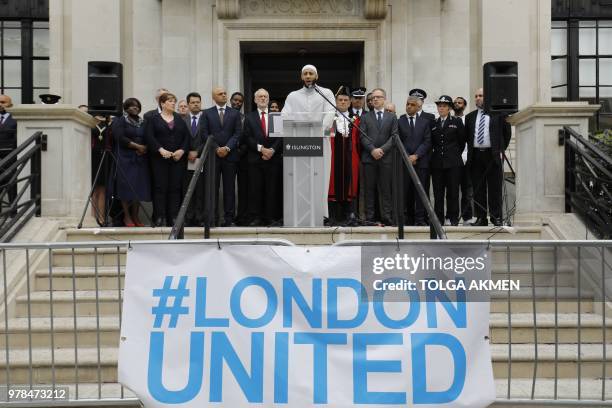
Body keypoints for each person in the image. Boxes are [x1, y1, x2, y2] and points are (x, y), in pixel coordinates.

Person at [282, 64, 336, 221]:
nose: (308, 76)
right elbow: (285, 114)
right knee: (299, 178)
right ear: (301, 77)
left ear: (316, 76)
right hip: (299, 142)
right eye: (305, 73)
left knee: (320, 176)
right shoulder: (293, 95)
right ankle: (298, 212)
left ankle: (321, 213)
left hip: (320, 140)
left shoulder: (326, 93)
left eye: (311, 73)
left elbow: (330, 113)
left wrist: (318, 131)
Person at [465, 88, 512, 227]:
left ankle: (496, 217)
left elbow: (506, 134)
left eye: (481, 95)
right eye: (476, 96)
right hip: (476, 156)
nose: (478, 98)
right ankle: (481, 218)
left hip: (492, 155)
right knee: (478, 189)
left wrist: (499, 150)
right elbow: (467, 137)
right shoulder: (470, 117)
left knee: (494, 188)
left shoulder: (498, 115)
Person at [145, 92, 190, 227]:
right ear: (162, 103)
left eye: (173, 101)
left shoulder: (179, 119)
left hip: (177, 160)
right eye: (170, 101)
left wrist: (182, 150)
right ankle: (160, 217)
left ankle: (174, 217)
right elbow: (149, 137)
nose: (173, 103)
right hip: (159, 160)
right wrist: (160, 149)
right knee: (160, 188)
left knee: (175, 188)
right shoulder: (153, 119)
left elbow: (186, 138)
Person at [201, 86, 242, 227]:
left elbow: (237, 134)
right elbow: (204, 133)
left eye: (225, 93)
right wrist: (217, 148)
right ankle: (212, 218)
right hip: (213, 157)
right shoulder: (206, 113)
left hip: (230, 156)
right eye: (220, 94)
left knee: (229, 188)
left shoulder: (235, 114)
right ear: (214, 97)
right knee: (212, 188)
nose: (224, 95)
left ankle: (229, 219)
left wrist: (227, 147)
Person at [243, 88, 282, 226]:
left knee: (272, 189)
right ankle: (256, 217)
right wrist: (262, 149)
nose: (263, 98)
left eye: (265, 96)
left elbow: (280, 137)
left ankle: (270, 217)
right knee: (255, 189)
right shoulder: (249, 117)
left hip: (273, 158)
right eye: (260, 96)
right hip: (255, 159)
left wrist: (272, 150)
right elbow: (247, 137)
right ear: (255, 100)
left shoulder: (276, 116)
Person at [359, 88, 398, 225]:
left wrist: (381, 150)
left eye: (378, 97)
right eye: (373, 98)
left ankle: (387, 216)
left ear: (384, 99)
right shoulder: (365, 117)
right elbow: (362, 136)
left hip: (386, 159)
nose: (375, 99)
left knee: (386, 189)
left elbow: (394, 137)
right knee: (369, 190)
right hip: (369, 159)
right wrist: (372, 150)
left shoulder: (392, 117)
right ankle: (370, 217)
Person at [111, 98, 151, 227]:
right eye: (132, 106)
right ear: (126, 108)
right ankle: (127, 217)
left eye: (137, 106)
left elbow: (149, 137)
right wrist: (137, 146)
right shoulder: (120, 120)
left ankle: (135, 216)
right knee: (126, 187)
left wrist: (144, 148)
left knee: (138, 188)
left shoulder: (142, 122)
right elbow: (119, 137)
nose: (135, 108)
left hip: (140, 159)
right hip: (125, 158)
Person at [430, 95, 466, 226]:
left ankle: (453, 218)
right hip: (437, 163)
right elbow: (432, 143)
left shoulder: (456, 122)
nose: (441, 108)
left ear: (449, 108)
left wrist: (454, 154)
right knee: (438, 193)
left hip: (453, 163)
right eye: (439, 106)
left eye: (444, 106)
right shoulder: (433, 123)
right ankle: (439, 219)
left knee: (453, 192)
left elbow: (462, 142)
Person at [328, 87, 360, 226]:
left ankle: (350, 215)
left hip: (351, 157)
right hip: (332, 158)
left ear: (350, 102)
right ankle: (332, 217)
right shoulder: (329, 119)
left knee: (350, 185)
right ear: (336, 102)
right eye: (340, 100)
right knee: (332, 184)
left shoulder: (356, 120)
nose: (342, 102)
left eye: (345, 100)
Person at [398, 95, 432, 226]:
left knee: (421, 192)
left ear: (418, 107)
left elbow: (427, 141)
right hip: (405, 163)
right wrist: (408, 156)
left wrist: (416, 155)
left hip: (421, 162)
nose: (409, 106)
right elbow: (398, 140)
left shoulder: (424, 122)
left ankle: (420, 219)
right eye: (407, 104)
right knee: (406, 191)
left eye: (412, 105)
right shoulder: (400, 121)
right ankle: (407, 218)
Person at [183, 92, 205, 227]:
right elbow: (180, 138)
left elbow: (208, 137)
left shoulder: (206, 119)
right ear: (188, 104)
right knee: (187, 189)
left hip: (202, 159)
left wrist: (197, 152)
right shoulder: (182, 119)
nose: (196, 104)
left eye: (198, 102)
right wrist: (188, 152)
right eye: (193, 102)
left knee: (201, 190)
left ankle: (200, 217)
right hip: (186, 160)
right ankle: (188, 217)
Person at [453, 96, 474, 224]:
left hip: (467, 159)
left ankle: (467, 217)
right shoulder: (448, 120)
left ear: (464, 106)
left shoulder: (469, 120)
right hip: (454, 160)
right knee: (453, 190)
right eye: (455, 103)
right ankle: (452, 217)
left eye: (459, 102)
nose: (457, 104)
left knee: (467, 190)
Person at [231, 91, 249, 225]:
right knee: (229, 187)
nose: (237, 103)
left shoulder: (245, 118)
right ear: (231, 101)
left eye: (240, 101)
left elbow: (248, 137)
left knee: (243, 188)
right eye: (235, 100)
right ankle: (229, 217)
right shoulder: (224, 115)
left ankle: (242, 216)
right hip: (227, 156)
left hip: (243, 157)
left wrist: (240, 151)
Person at [90, 113, 112, 226]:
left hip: (105, 157)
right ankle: (93, 218)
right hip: (92, 158)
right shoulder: (89, 123)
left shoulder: (109, 124)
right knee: (93, 189)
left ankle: (102, 218)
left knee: (102, 189)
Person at [0, 94, 17, 214]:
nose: (0, 104)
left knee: (11, 185)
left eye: (3, 102)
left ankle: (13, 213)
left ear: (10, 104)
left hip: (10, 158)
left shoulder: (16, 118)